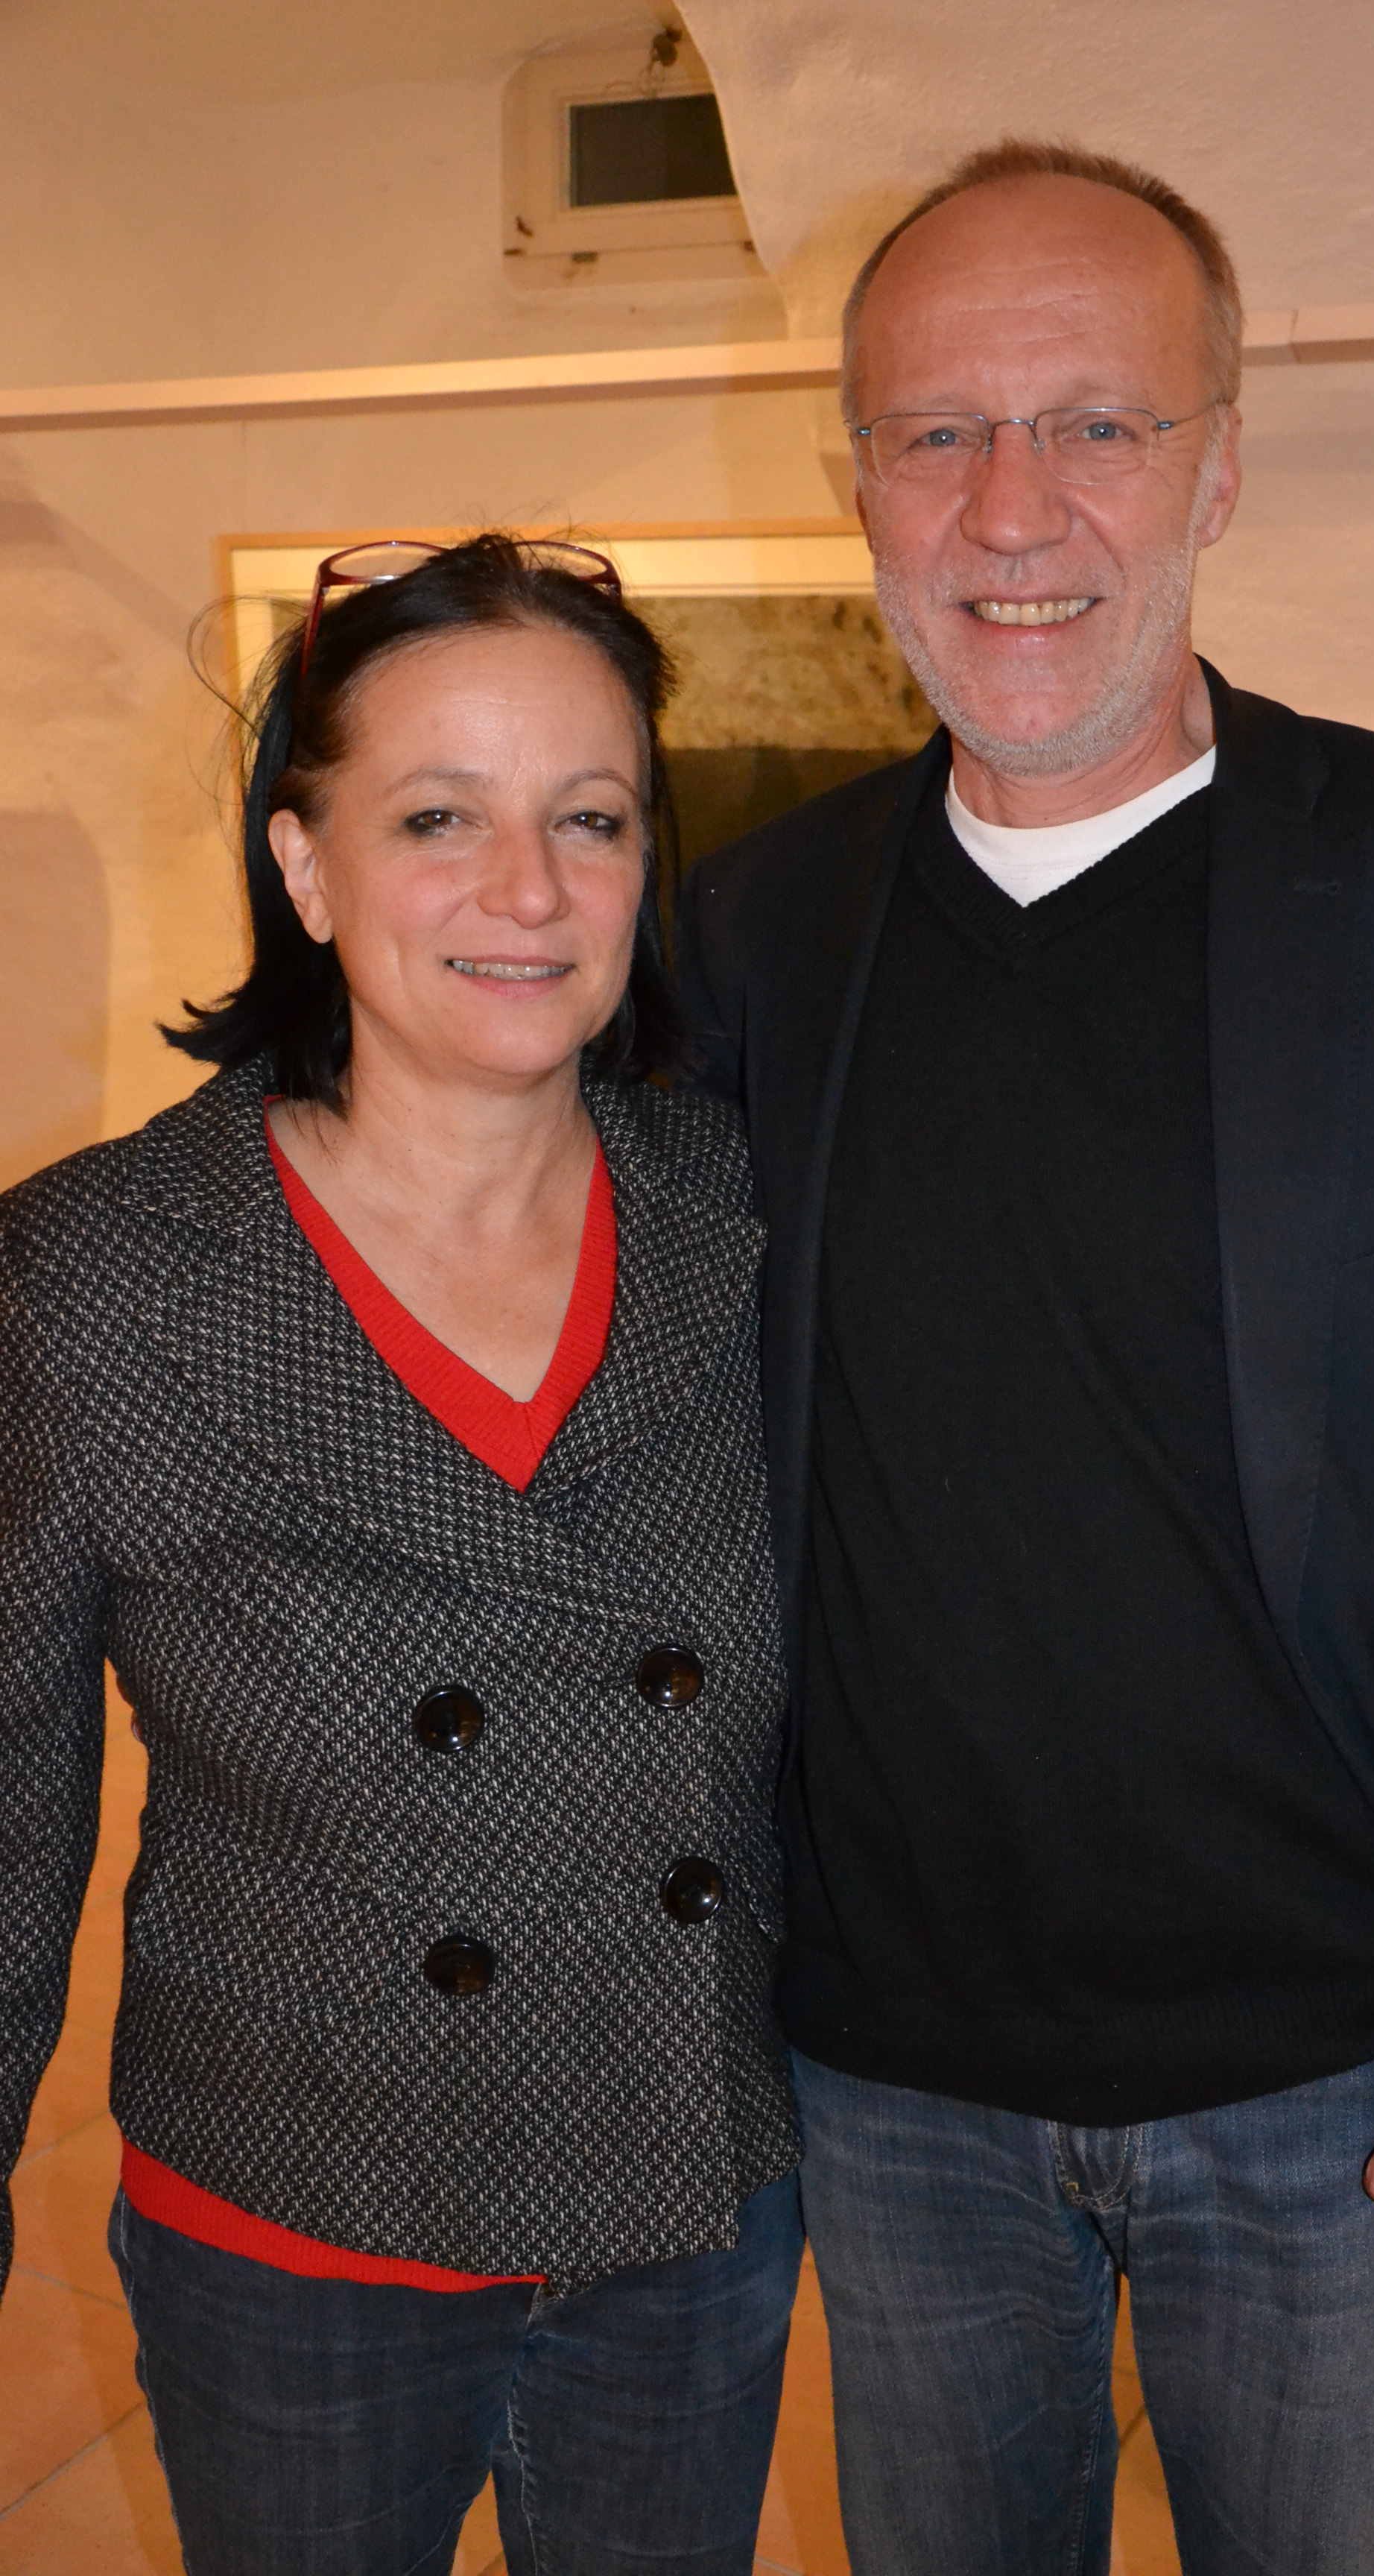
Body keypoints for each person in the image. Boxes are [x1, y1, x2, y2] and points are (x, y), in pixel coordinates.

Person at [675, 140, 1374, 2576]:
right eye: (938, 433)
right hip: (892, 2074)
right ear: (857, 486)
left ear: (1219, 466)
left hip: (1337, 2059)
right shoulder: (759, 932)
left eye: (1097, 425)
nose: (1010, 507)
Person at [0, 534, 802, 2576]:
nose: (529, 893)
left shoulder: (743, 1208)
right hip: (299, 2222)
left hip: (683, 2190)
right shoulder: (97, 1271)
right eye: (440, 818)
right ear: (306, 865)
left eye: (590, 820)